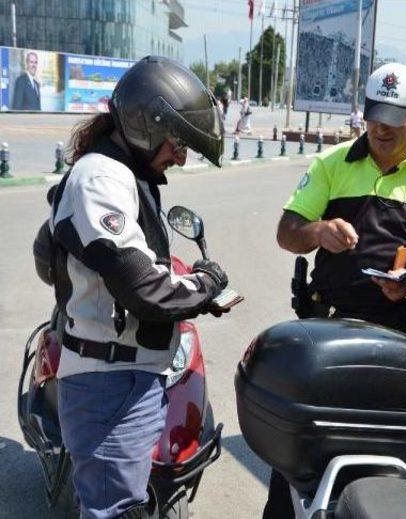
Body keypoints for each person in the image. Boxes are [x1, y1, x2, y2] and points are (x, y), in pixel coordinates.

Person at [269, 62, 406, 518]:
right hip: (328, 334)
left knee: (383, 463)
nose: (381, 129)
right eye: (375, 116)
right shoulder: (331, 164)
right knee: (300, 464)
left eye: (394, 120)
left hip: (402, 341)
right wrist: (318, 230)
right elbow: (287, 232)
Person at [48, 56, 227, 518]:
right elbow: (142, 287)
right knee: (116, 511)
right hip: (110, 383)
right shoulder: (100, 179)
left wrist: (191, 288)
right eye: (177, 142)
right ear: (147, 124)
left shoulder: (123, 175)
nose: (181, 155)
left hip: (124, 376)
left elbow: (128, 268)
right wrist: (205, 285)